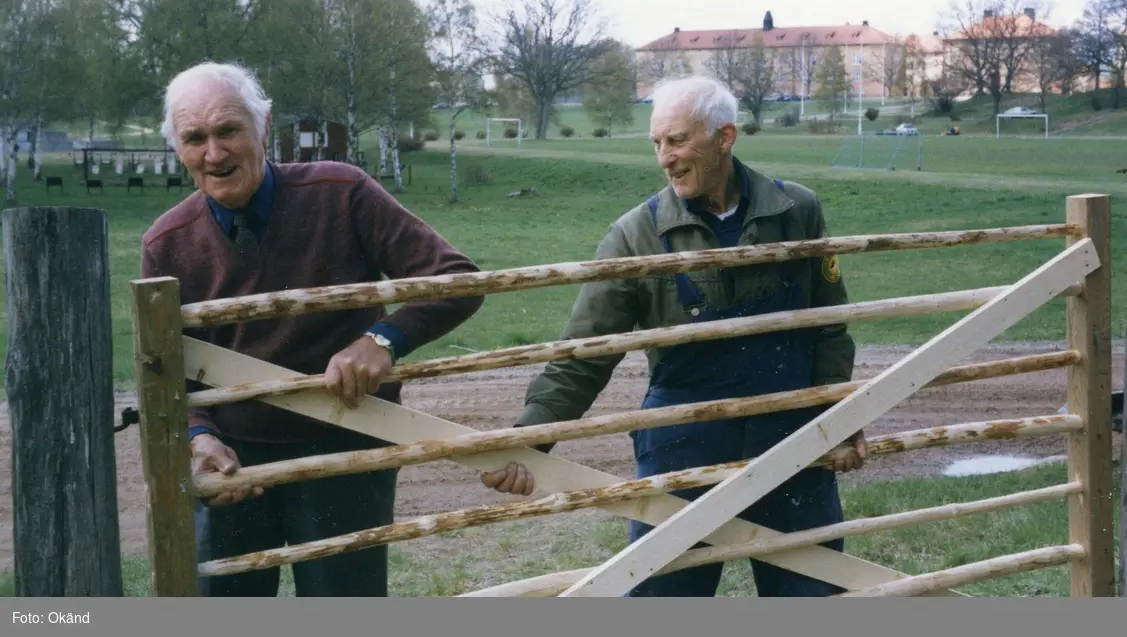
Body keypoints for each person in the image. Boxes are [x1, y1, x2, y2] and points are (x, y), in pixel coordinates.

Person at [481, 75, 867, 597]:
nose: (665, 157)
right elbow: (585, 355)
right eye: (657, 143)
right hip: (684, 446)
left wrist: (837, 420)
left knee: (815, 597)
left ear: (724, 137)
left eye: (678, 140)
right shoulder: (634, 235)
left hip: (791, 443)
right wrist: (531, 437)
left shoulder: (796, 211)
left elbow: (829, 328)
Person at [140, 61, 485, 596]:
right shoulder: (167, 243)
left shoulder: (341, 192)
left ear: (263, 125)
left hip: (344, 448)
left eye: (228, 130)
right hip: (234, 463)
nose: (214, 153)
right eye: (195, 138)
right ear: (178, 147)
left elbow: (456, 279)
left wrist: (383, 341)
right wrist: (199, 437)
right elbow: (174, 371)